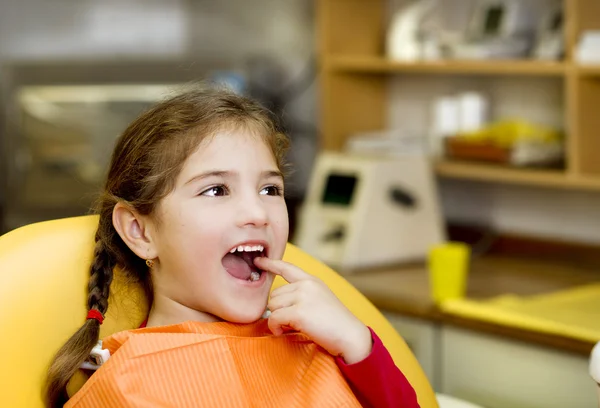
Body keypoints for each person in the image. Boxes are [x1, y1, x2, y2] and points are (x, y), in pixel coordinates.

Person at [45, 86, 420, 408]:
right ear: (140, 231)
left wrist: (357, 346)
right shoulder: (128, 387)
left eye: (270, 189)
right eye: (216, 190)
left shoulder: (322, 343)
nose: (258, 212)